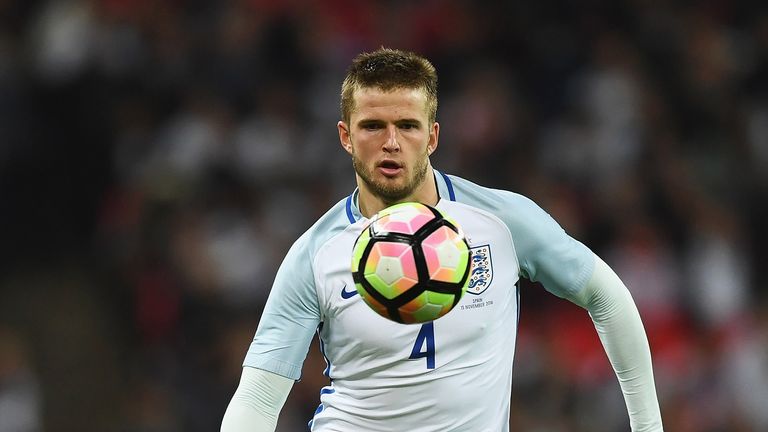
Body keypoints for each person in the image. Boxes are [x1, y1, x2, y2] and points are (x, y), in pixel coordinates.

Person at [221, 48, 664, 431]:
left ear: (432, 136)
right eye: (372, 125)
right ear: (346, 137)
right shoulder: (316, 254)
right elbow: (259, 396)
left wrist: (648, 426)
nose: (391, 143)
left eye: (408, 126)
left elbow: (607, 296)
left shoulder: (502, 222)